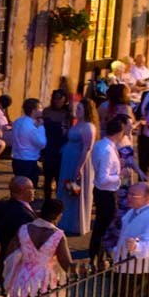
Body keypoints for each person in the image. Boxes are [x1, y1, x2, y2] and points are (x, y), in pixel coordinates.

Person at [58, 100, 96, 238]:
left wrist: (79, 167)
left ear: (86, 110)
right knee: (67, 190)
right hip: (68, 161)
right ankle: (65, 220)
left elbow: (87, 148)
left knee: (75, 191)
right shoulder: (76, 123)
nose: (77, 111)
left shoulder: (88, 127)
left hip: (77, 162)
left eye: (80, 108)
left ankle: (75, 224)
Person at [88, 119, 124, 259]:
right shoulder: (107, 151)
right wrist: (119, 176)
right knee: (104, 226)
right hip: (106, 192)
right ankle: (98, 254)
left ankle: (96, 252)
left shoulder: (100, 145)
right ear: (119, 133)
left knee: (100, 224)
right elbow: (103, 178)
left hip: (100, 190)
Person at [0, 176, 36, 265]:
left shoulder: (5, 207)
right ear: (21, 190)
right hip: (18, 263)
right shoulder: (23, 215)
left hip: (6, 257)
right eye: (31, 188)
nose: (34, 191)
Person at [7, 98, 47, 188]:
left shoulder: (18, 121)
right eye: (40, 108)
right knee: (29, 187)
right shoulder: (30, 126)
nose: (42, 110)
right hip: (28, 161)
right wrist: (41, 127)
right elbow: (42, 143)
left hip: (16, 159)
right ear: (34, 110)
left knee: (19, 186)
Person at [40, 89, 71, 200]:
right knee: (48, 176)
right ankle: (47, 201)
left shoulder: (68, 114)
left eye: (60, 99)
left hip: (63, 147)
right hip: (49, 146)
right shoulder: (47, 111)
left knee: (61, 176)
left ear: (65, 100)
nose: (57, 101)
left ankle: (60, 201)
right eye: (55, 98)